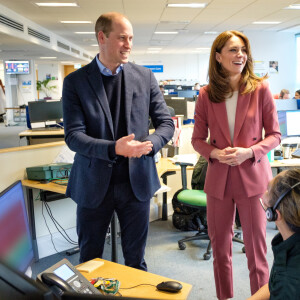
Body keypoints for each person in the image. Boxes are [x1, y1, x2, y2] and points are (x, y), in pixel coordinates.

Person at [62, 12, 174, 271]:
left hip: (136, 183)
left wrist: (150, 145)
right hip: (93, 184)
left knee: (136, 260)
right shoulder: (76, 82)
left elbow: (165, 123)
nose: (128, 45)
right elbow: (74, 136)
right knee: (90, 260)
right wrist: (114, 148)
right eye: (122, 38)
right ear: (102, 37)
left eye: (131, 38)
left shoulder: (144, 77)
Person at [191, 30, 281, 300]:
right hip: (218, 180)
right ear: (218, 57)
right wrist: (216, 154)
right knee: (220, 250)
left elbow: (275, 135)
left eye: (243, 49)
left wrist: (249, 151)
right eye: (232, 50)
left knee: (256, 251)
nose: (240, 55)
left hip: (252, 178)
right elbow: (197, 140)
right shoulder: (206, 95)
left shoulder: (260, 88)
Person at [248, 168, 300, 300]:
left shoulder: (288, 281)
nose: (264, 194)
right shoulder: (289, 244)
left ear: (274, 214)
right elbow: (273, 286)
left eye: (268, 189)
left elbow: (281, 284)